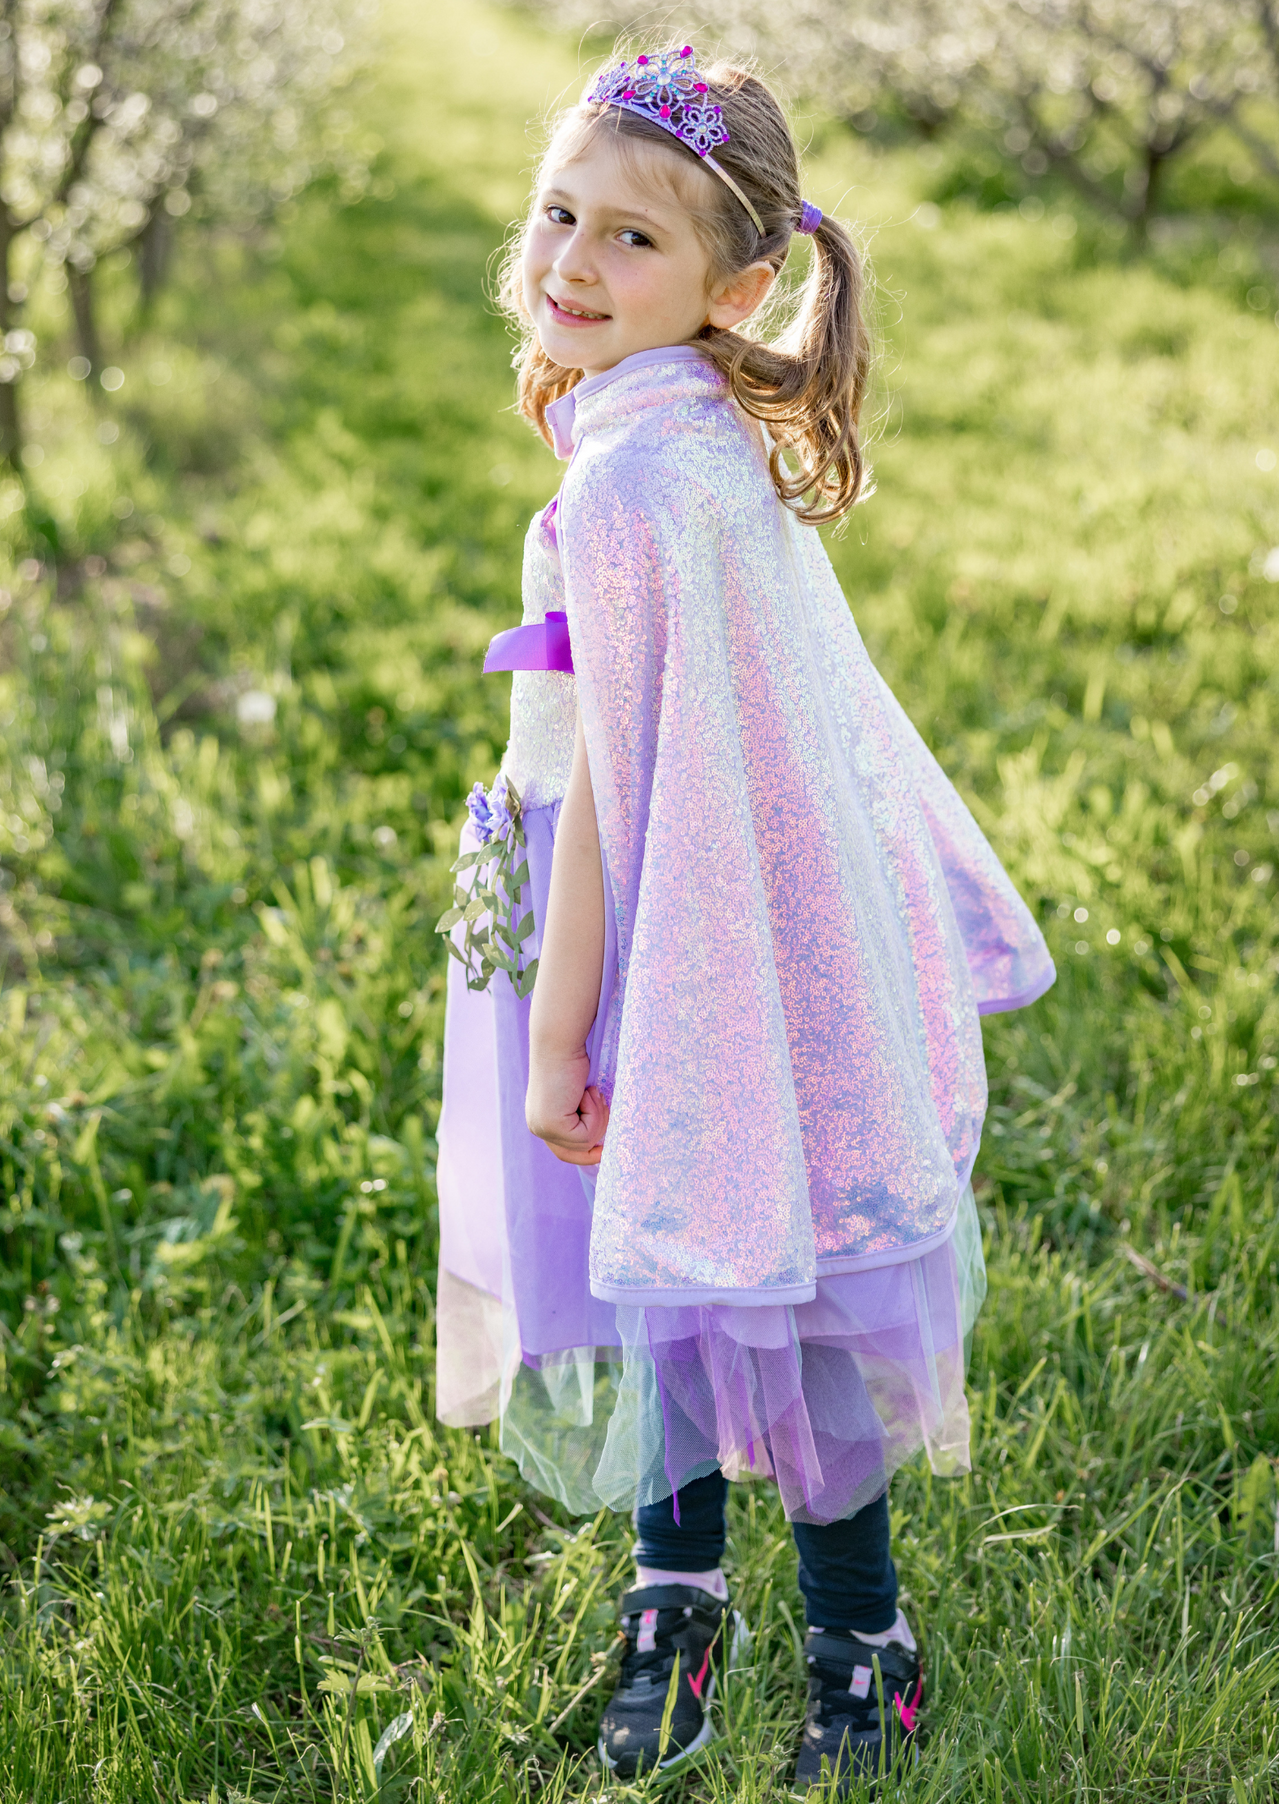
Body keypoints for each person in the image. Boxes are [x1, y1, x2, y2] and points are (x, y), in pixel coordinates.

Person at [433, 43, 1055, 1793]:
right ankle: (689, 1589)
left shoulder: (637, 480)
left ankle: (848, 1630)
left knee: (709, 1268)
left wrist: (561, 1030)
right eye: (559, 213)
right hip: (751, 922)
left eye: (631, 240)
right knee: (730, 1273)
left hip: (656, 931)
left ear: (738, 285)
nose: (569, 261)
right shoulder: (660, 418)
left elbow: (635, 801)